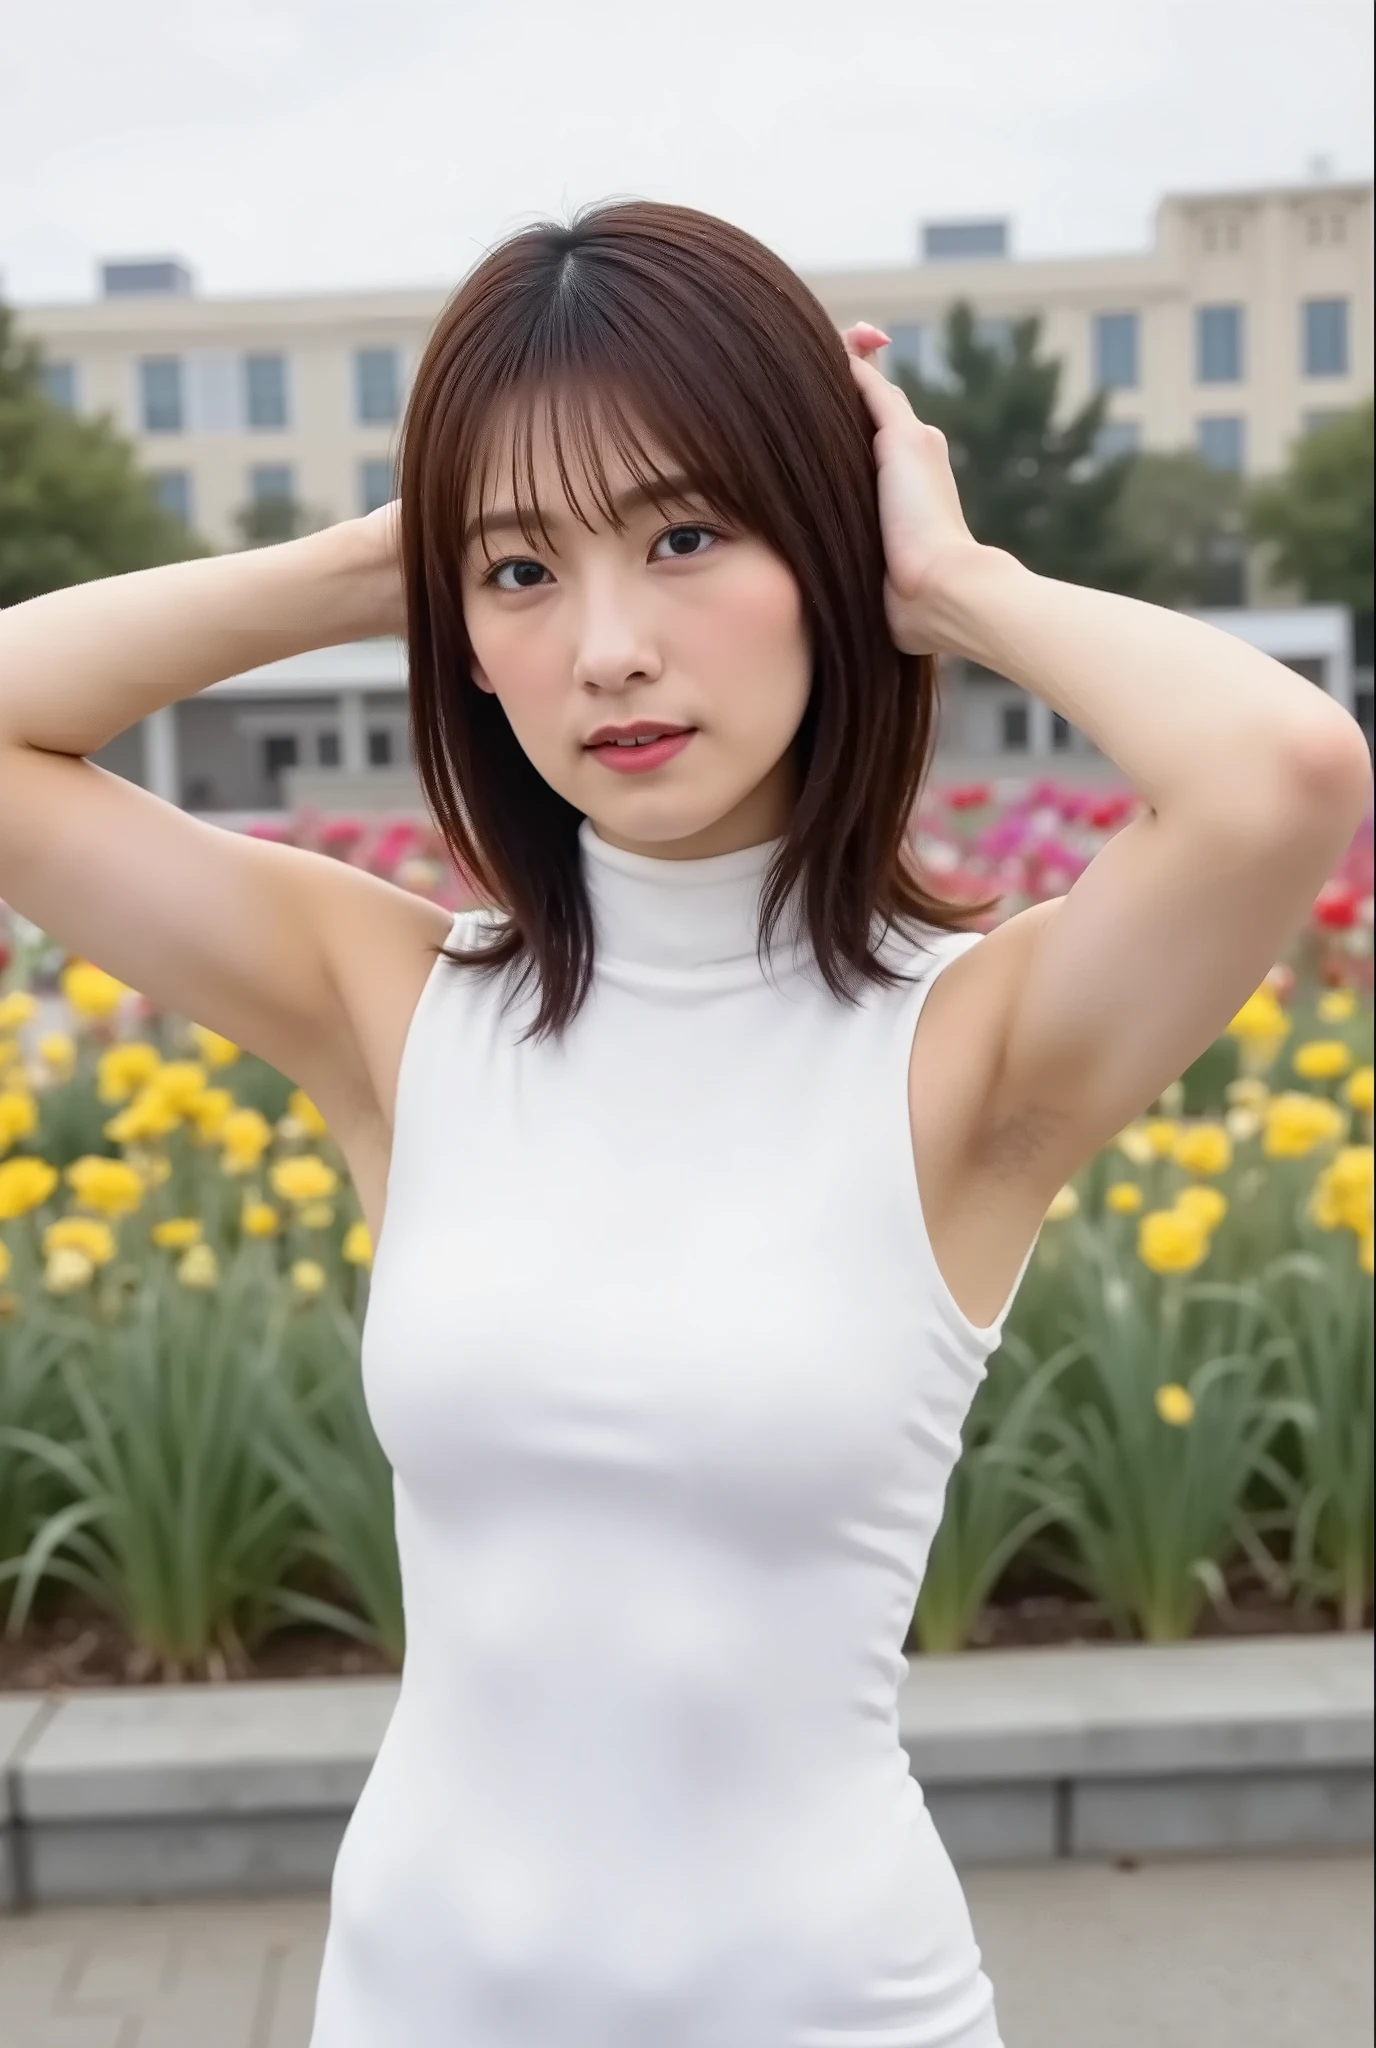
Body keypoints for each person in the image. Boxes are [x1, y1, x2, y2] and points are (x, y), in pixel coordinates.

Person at [0, 199, 1368, 2047]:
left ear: (828, 553)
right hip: (415, 2007)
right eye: (523, 576)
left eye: (690, 535)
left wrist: (953, 579)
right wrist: (382, 561)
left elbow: (1282, 774)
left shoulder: (969, 1053)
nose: (614, 648)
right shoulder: (396, 1008)